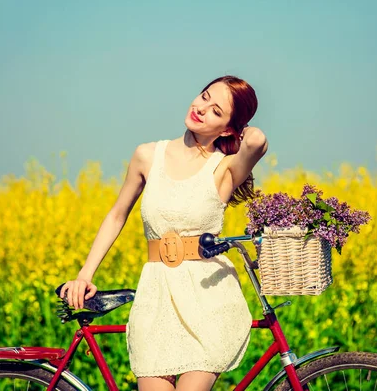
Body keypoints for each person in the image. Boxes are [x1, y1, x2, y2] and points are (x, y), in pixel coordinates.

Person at [60, 75, 268, 391]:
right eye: (204, 96)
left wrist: (243, 130)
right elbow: (117, 215)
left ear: (227, 128)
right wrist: (85, 274)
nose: (201, 108)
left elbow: (256, 143)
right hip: (156, 295)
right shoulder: (147, 155)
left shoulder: (224, 169)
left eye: (216, 111)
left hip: (209, 298)